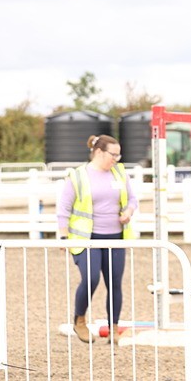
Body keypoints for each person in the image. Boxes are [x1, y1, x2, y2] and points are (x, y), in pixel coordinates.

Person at [57, 135, 137, 345]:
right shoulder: (78, 176)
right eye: (113, 154)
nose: (116, 159)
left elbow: (132, 199)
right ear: (99, 152)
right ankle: (79, 320)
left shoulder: (119, 173)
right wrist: (63, 236)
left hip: (115, 237)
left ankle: (114, 329)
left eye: (119, 155)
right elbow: (63, 208)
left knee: (115, 284)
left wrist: (128, 211)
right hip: (86, 238)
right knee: (91, 279)